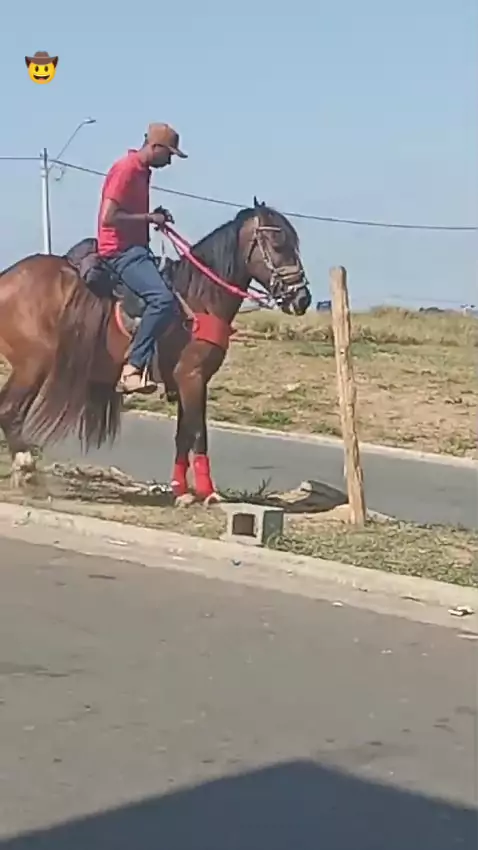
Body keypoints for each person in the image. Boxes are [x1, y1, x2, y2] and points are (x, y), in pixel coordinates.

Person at [97, 122, 187, 394]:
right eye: (169, 154)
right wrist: (149, 218)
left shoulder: (143, 171)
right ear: (155, 147)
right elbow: (109, 217)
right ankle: (133, 368)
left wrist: (153, 216)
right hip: (119, 251)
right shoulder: (126, 169)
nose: (169, 161)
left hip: (136, 248)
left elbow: (129, 211)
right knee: (162, 300)